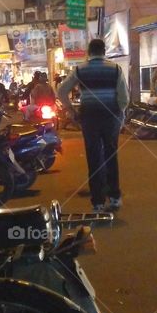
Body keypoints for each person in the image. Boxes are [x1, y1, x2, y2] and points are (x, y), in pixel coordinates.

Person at [56, 38, 129, 212]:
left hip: (89, 118)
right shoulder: (116, 69)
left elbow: (61, 91)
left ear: (89, 52)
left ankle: (97, 202)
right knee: (111, 156)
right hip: (110, 117)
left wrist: (71, 111)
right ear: (104, 51)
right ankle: (114, 197)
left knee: (94, 157)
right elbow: (124, 98)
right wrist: (119, 113)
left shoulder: (80, 69)